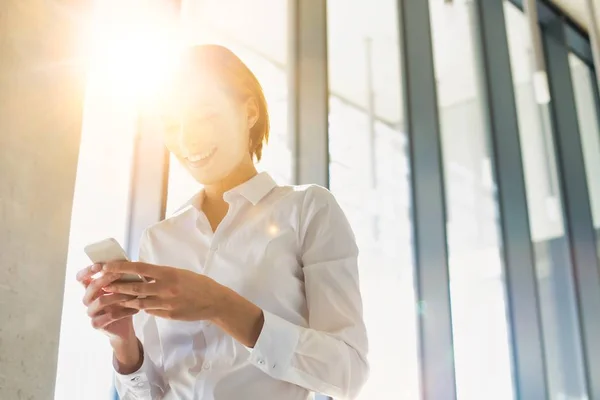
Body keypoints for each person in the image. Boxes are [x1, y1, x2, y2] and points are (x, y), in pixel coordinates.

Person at [76, 44, 369, 400]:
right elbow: (149, 394)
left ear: (249, 111)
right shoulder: (160, 238)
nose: (188, 139)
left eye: (206, 115)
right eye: (172, 124)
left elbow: (347, 372)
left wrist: (221, 305)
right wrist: (123, 342)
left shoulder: (308, 209)